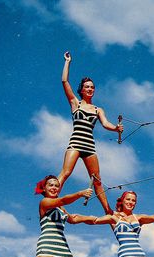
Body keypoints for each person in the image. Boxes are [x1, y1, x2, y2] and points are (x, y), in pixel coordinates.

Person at [58, 51, 123, 214]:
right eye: (87, 87)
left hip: (90, 146)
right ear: (81, 89)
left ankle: (108, 212)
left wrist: (116, 128)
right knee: (66, 172)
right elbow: (64, 81)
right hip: (75, 143)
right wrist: (67, 62)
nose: (90, 89)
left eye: (92, 87)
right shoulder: (75, 103)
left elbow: (106, 123)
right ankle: (54, 199)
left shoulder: (97, 109)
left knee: (97, 181)